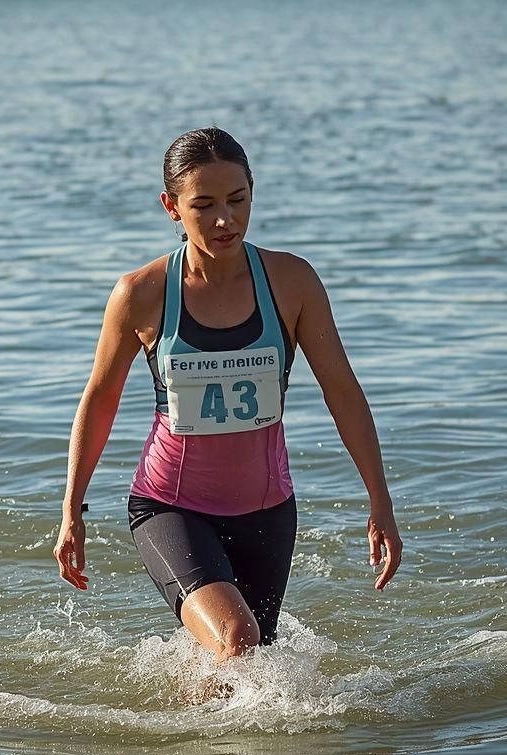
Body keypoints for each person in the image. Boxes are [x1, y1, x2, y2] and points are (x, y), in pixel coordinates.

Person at [54, 127, 402, 668]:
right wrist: (72, 509)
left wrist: (379, 499)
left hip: (269, 512)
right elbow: (99, 400)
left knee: (248, 665)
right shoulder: (141, 294)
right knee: (237, 638)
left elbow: (343, 392)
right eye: (205, 205)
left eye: (238, 201)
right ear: (171, 206)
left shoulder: (292, 282)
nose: (225, 220)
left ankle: (196, 743)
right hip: (170, 506)